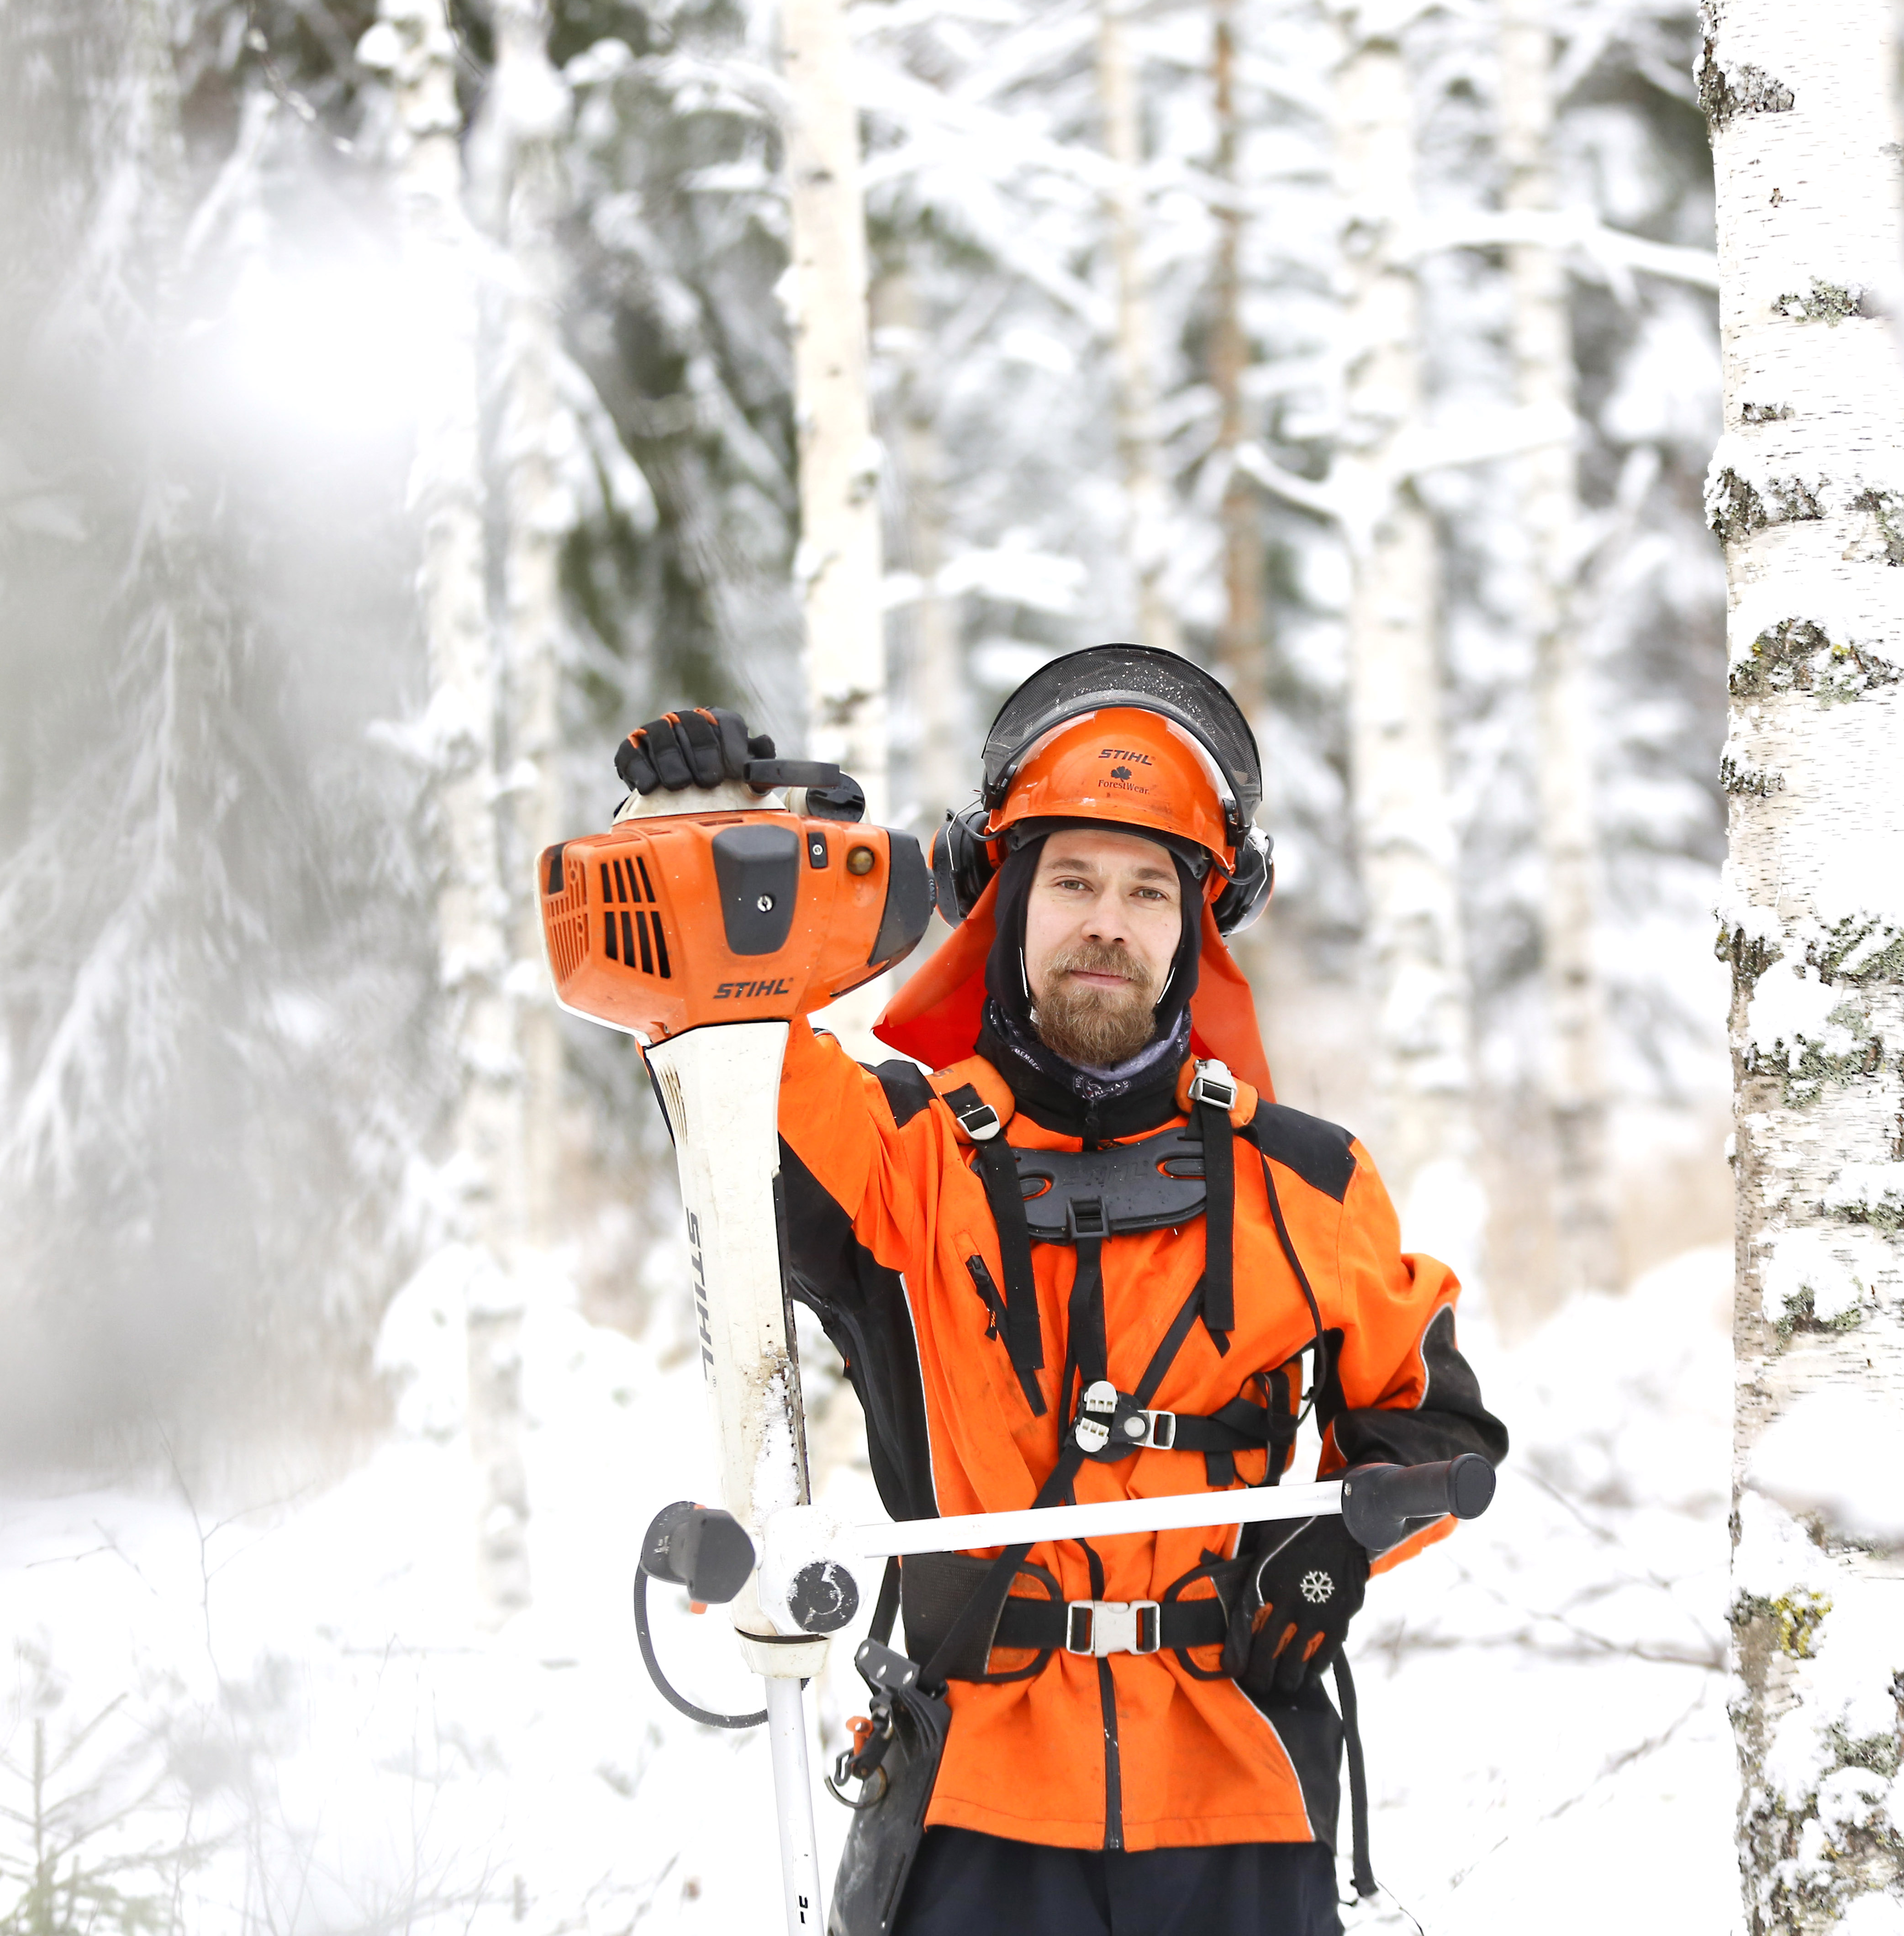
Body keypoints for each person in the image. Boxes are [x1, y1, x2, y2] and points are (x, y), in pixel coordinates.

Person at [614, 646, 1507, 1936]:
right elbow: (722, 1054)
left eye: (1150, 890)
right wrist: (684, 836)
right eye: (1075, 879)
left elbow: (1433, 1422)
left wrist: (1326, 1556)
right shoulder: (903, 1156)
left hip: (1242, 1804)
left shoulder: (1305, 1181)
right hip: (972, 1810)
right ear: (1010, 906)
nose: (1109, 921)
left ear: (1192, 929)